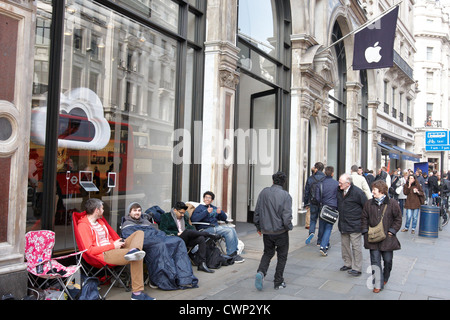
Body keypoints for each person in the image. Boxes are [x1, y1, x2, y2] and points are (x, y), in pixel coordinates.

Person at [77, 198, 154, 300]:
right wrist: (112, 246)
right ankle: (137, 294)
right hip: (103, 254)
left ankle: (134, 250)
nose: (104, 211)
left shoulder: (100, 221)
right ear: (97, 210)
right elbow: (90, 250)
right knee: (137, 257)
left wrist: (116, 243)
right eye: (102, 208)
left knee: (139, 233)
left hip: (113, 247)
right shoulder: (83, 226)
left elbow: (108, 237)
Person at [121, 202, 198, 290]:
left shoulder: (146, 221)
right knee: (161, 246)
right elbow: (131, 239)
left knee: (178, 241)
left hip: (158, 239)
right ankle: (165, 280)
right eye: (134, 210)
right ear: (129, 212)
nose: (137, 212)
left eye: (139, 210)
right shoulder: (127, 225)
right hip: (147, 244)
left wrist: (161, 236)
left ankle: (185, 279)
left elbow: (159, 232)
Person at [253, 171, 293, 291]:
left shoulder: (264, 192)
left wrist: (258, 227)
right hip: (280, 232)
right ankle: (278, 281)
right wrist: (289, 227)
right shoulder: (286, 195)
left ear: (273, 180)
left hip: (267, 231)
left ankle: (261, 272)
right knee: (282, 256)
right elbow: (286, 217)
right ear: (284, 182)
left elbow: (257, 211)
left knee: (268, 253)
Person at [362, 180, 402, 293]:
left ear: (381, 190)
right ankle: (378, 284)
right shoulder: (368, 203)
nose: (372, 191)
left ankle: (386, 276)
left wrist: (392, 231)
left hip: (387, 238)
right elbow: (364, 218)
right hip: (373, 238)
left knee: (388, 260)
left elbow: (398, 218)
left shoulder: (393, 203)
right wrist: (365, 231)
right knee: (375, 261)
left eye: (374, 189)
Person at [159, 201, 217, 273]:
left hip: (186, 239)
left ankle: (202, 264)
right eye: (181, 213)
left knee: (201, 239)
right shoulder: (166, 216)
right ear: (175, 210)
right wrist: (177, 233)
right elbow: (162, 230)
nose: (182, 215)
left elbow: (190, 227)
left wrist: (192, 232)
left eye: (183, 213)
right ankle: (207, 234)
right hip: (175, 239)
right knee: (187, 232)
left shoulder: (184, 217)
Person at [191, 191, 244, 263]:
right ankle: (231, 255)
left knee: (232, 229)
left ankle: (234, 253)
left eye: (209, 198)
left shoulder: (214, 208)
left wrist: (221, 213)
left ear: (212, 200)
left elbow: (224, 218)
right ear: (203, 199)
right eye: (206, 197)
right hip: (205, 229)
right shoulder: (199, 208)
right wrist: (206, 212)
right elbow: (194, 219)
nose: (207, 199)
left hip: (215, 228)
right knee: (229, 231)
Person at [337, 173, 368, 277]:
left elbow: (366, 207)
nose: (339, 184)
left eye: (341, 183)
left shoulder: (358, 193)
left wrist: (364, 223)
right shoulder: (339, 190)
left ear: (348, 183)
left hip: (355, 224)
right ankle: (347, 263)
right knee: (344, 245)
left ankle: (357, 268)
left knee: (356, 246)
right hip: (343, 223)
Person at [316, 166, 339, 256]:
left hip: (323, 207)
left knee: (322, 226)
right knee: (328, 228)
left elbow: (317, 198)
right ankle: (323, 246)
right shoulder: (336, 184)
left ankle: (324, 243)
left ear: (325, 173)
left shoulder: (320, 183)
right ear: (332, 173)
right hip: (332, 208)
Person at [303, 162, 326, 245]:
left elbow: (306, 192)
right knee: (322, 221)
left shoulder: (310, 178)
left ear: (316, 169)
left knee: (313, 219)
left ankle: (311, 232)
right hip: (323, 203)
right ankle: (319, 241)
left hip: (313, 202)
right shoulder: (325, 178)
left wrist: (306, 203)